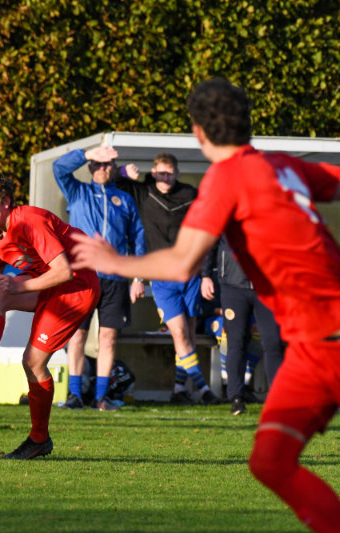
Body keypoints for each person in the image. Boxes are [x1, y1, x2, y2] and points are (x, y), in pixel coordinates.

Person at [71, 77, 340, 532]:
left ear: (198, 131)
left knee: (273, 462)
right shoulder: (280, 164)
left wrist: (115, 260)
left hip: (325, 338)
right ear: (247, 123)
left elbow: (181, 263)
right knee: (270, 461)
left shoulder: (227, 177)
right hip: (315, 345)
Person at [0, 170, 99, 459]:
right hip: (50, 286)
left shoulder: (29, 221)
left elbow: (64, 271)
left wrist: (18, 285)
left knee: (33, 362)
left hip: (77, 288)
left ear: (6, 202)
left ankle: (39, 439)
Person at [116, 154, 220, 405]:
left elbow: (206, 230)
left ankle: (179, 389)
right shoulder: (143, 192)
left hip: (189, 273)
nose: (165, 178)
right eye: (161, 173)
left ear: (176, 173)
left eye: (169, 173)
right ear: (153, 173)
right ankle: (204, 389)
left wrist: (205, 274)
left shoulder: (189, 194)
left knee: (189, 335)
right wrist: (123, 172)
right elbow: (114, 183)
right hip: (161, 275)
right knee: (179, 333)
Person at [52, 144, 145, 410]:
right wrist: (86, 154)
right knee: (76, 337)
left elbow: (137, 237)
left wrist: (138, 277)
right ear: (91, 166)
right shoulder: (77, 191)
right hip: (81, 277)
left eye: (107, 164)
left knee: (108, 338)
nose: (102, 168)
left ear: (113, 168)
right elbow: (58, 168)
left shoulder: (124, 199)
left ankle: (101, 397)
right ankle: (75, 395)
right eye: (98, 164)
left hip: (115, 279)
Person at [200, 235, 284, 415]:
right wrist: (205, 275)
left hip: (267, 286)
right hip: (233, 285)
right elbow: (211, 242)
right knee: (236, 342)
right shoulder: (227, 217)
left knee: (273, 342)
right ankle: (236, 398)